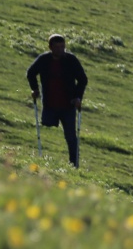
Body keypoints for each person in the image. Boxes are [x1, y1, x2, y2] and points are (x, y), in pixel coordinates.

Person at [27, 33, 88, 167]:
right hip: (50, 104)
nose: (61, 49)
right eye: (57, 47)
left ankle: (74, 164)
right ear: (50, 47)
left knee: (71, 137)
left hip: (68, 105)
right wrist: (35, 89)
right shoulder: (44, 60)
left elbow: (83, 79)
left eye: (63, 46)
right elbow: (31, 73)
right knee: (46, 125)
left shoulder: (71, 60)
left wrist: (78, 97)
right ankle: (44, 159)